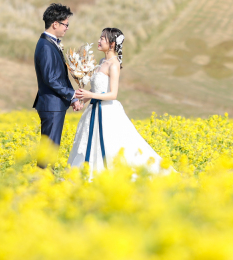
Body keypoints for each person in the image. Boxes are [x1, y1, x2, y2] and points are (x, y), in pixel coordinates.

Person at [68, 28, 170, 178]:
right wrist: (83, 99)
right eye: (100, 37)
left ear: (112, 44)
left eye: (103, 38)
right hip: (94, 109)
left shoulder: (113, 64)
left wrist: (90, 94)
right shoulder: (102, 61)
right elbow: (97, 88)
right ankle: (89, 173)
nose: (99, 40)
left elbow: (113, 94)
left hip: (107, 111)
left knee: (111, 145)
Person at [33, 3, 83, 151]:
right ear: (55, 24)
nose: (67, 28)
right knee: (49, 150)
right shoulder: (45, 46)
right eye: (65, 25)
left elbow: (61, 76)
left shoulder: (50, 44)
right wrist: (72, 93)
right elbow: (50, 79)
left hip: (54, 104)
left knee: (51, 149)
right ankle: (44, 175)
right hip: (51, 105)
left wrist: (72, 98)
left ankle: (46, 174)